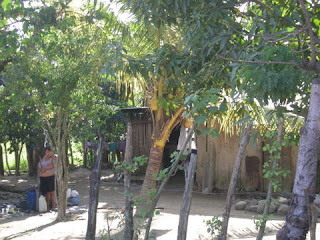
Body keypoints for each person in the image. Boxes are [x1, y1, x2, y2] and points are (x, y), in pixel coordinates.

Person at [38, 146, 57, 211]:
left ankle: (54, 206)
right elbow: (40, 164)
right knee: (46, 192)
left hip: (50, 177)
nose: (48, 153)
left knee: (52, 192)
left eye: (49, 151)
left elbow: (52, 165)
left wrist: (44, 168)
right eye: (46, 152)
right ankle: (47, 206)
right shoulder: (44, 157)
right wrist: (41, 169)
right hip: (43, 177)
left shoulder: (54, 157)